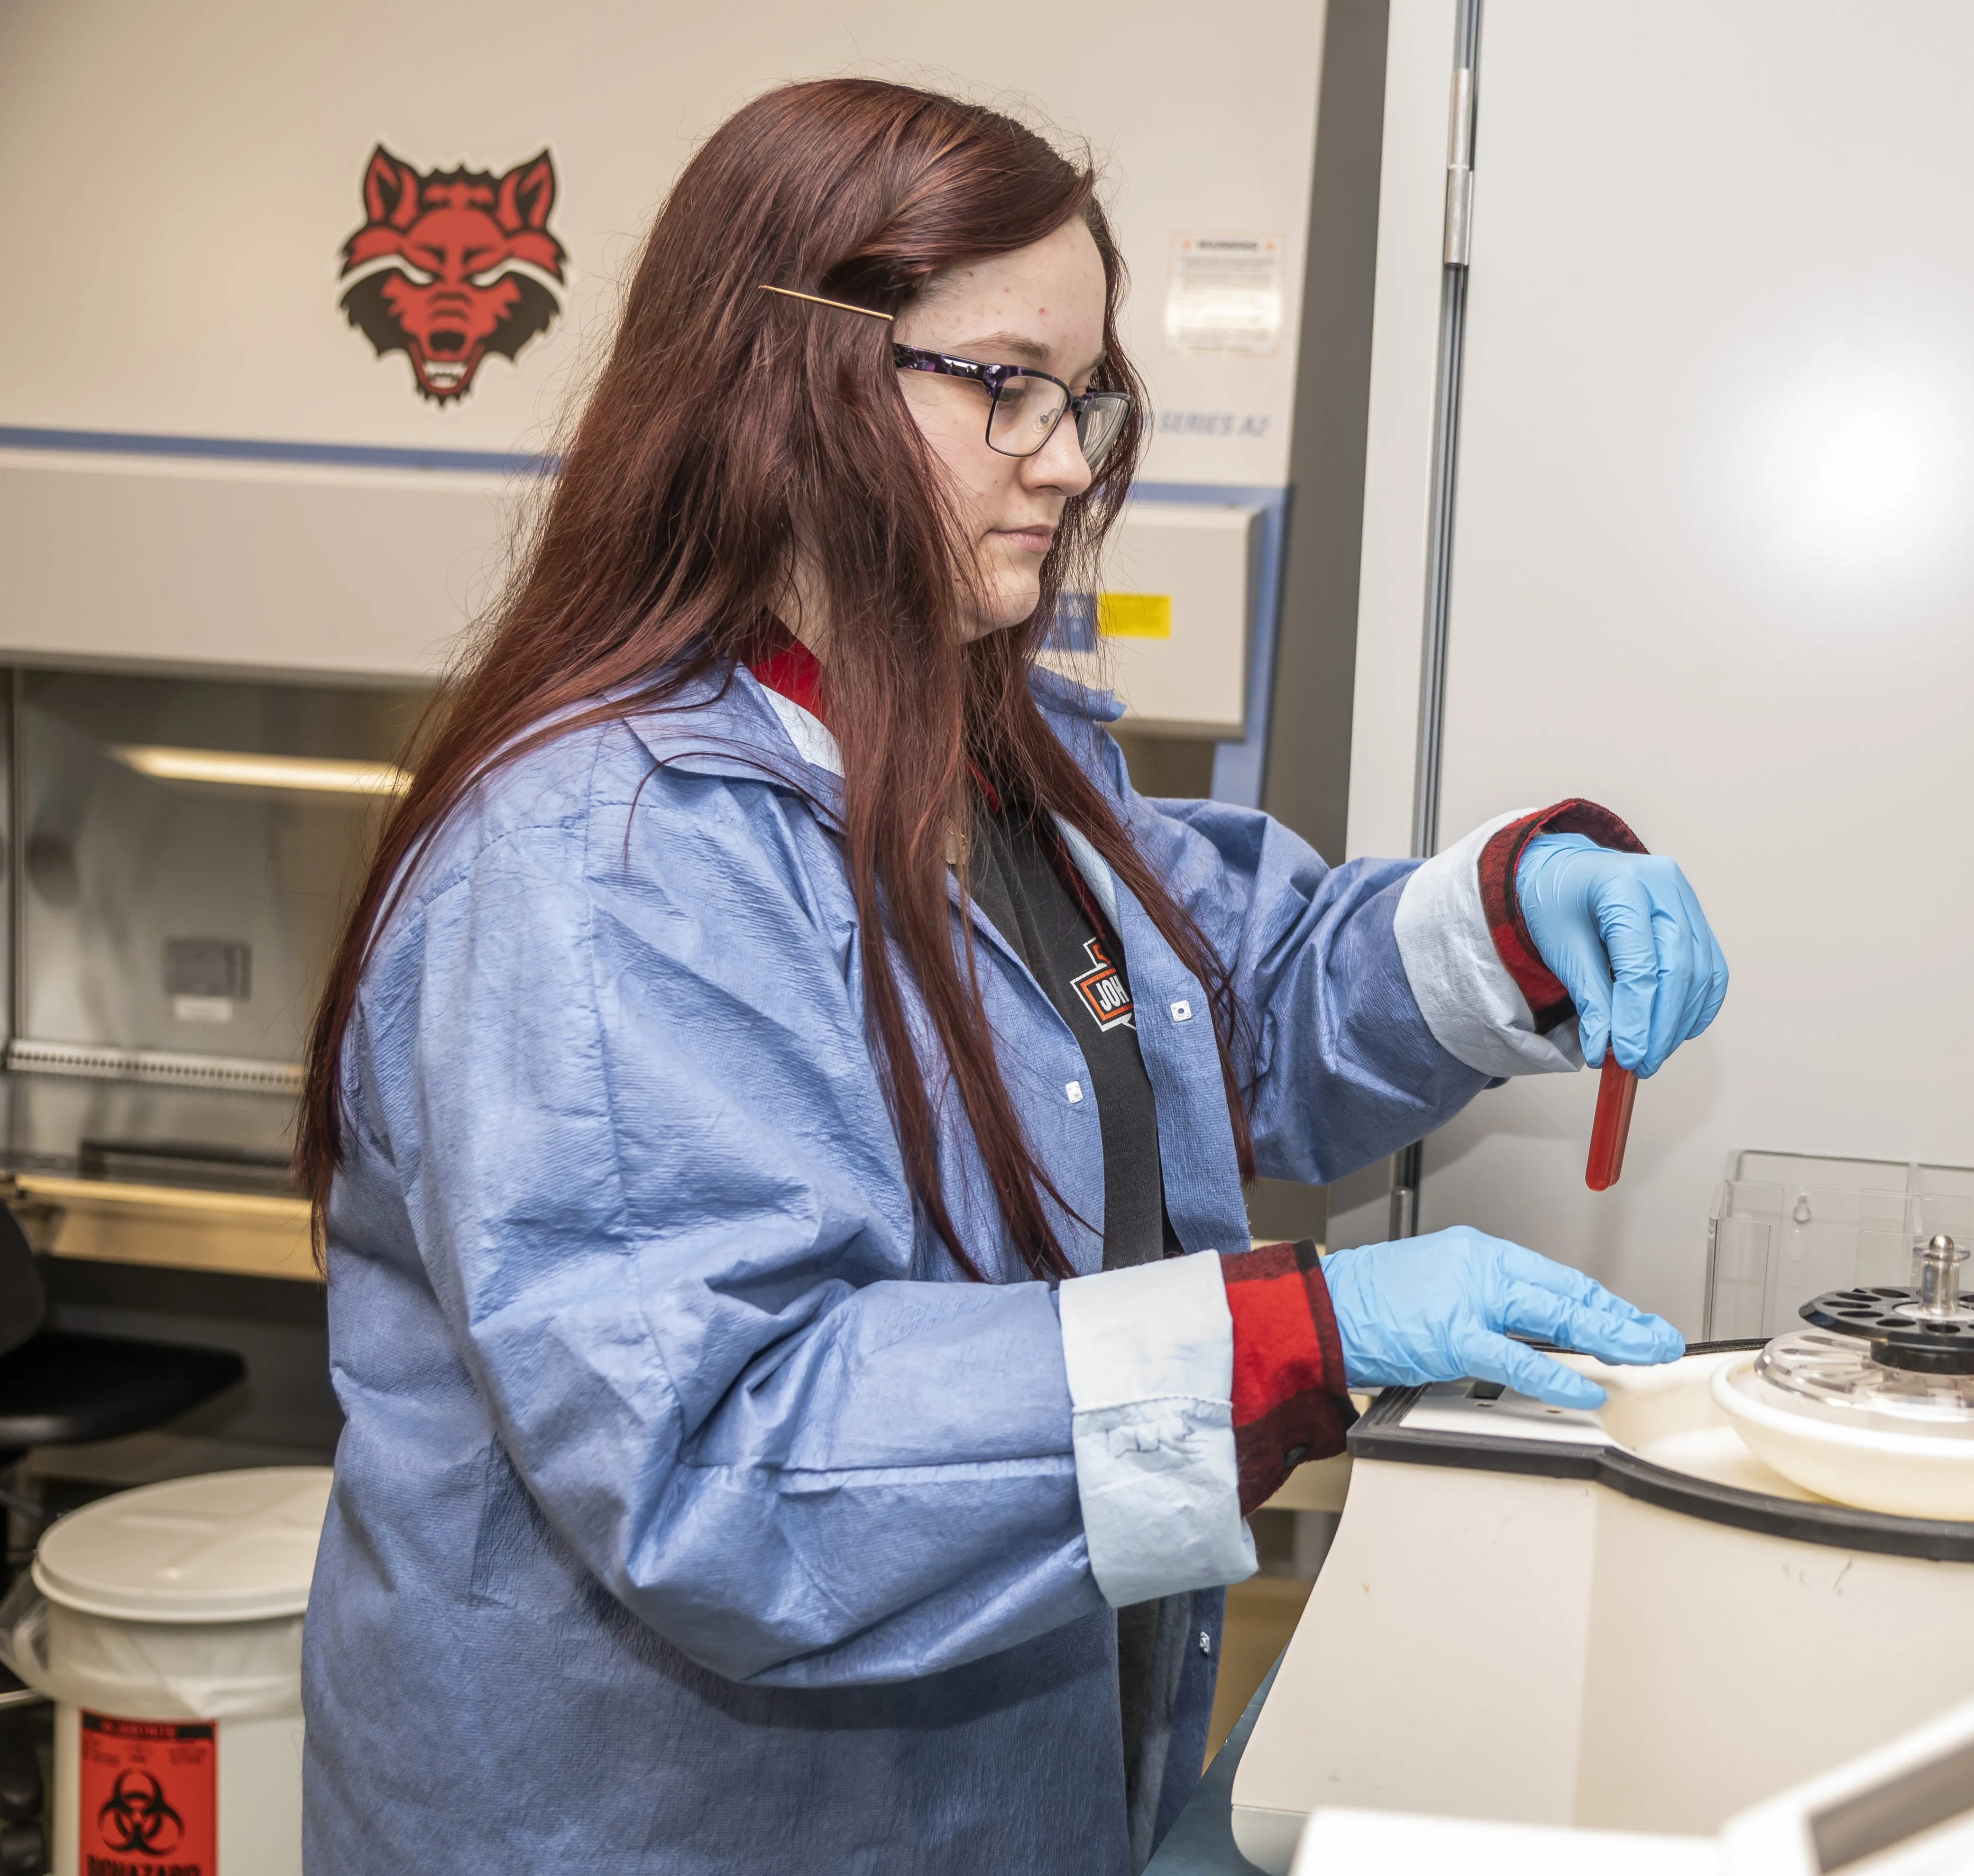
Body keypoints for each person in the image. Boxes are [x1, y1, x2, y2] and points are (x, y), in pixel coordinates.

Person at [293, 78, 1727, 1875]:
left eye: (1084, 392)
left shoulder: (983, 748)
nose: (1064, 456)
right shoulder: (603, 859)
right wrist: (1289, 1334)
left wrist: (1510, 921)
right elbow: (728, 1458)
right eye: (1006, 384)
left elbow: (1229, 1000)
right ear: (787, 375)